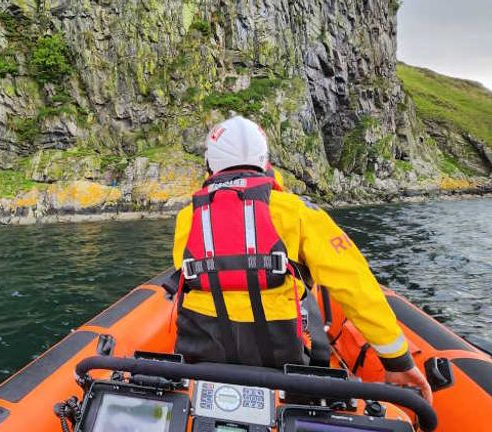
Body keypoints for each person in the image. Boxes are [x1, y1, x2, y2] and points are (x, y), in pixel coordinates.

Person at [172, 116, 433, 403]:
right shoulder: (297, 211)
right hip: (278, 358)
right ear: (265, 161)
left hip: (201, 358)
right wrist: (398, 361)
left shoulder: (188, 217)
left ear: (210, 164)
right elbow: (354, 283)